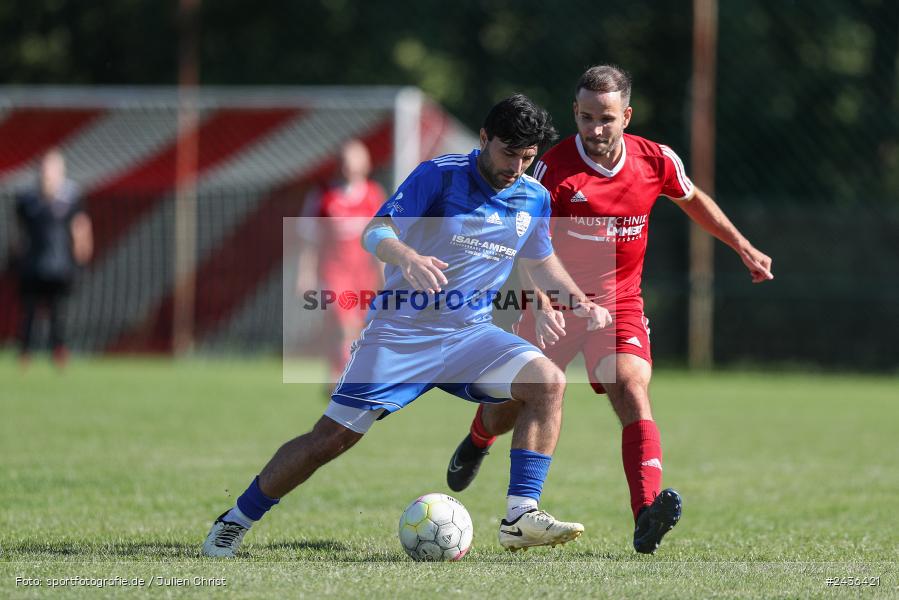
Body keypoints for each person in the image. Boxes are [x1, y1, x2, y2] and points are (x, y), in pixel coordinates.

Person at [202, 94, 612, 557]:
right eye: (508, 153)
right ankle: (235, 520)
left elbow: (540, 261)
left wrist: (581, 303)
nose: (516, 167)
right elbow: (376, 230)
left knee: (547, 382)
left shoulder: (533, 197)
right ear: (484, 138)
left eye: (527, 157)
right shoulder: (440, 175)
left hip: (471, 335)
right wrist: (408, 256)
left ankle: (520, 515)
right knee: (330, 439)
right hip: (402, 334)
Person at [444, 65, 774, 554]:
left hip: (619, 304)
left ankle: (646, 514)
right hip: (555, 303)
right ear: (575, 113)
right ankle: (478, 438)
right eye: (586, 117)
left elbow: (691, 199)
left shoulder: (656, 159)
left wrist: (741, 245)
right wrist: (539, 300)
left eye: (606, 118)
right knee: (516, 403)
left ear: (627, 116)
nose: (595, 129)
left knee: (631, 385)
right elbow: (523, 242)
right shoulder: (551, 170)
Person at [296, 139, 386, 391]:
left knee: (355, 327)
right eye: (346, 159)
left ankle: (337, 373)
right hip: (334, 271)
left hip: (363, 273)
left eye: (355, 158)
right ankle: (346, 377)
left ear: (366, 163)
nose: (350, 164)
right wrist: (304, 274)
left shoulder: (373, 194)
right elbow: (309, 239)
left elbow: (381, 239)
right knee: (343, 322)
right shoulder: (323, 196)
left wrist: (384, 272)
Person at [12, 149, 93, 367]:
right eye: (44, 168)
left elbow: (81, 227)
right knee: (29, 311)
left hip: (60, 266)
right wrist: (18, 255)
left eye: (52, 168)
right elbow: (19, 233)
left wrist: (82, 255)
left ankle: (59, 351)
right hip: (33, 265)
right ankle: (25, 352)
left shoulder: (71, 197)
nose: (47, 173)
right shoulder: (27, 200)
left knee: (59, 312)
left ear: (61, 171)